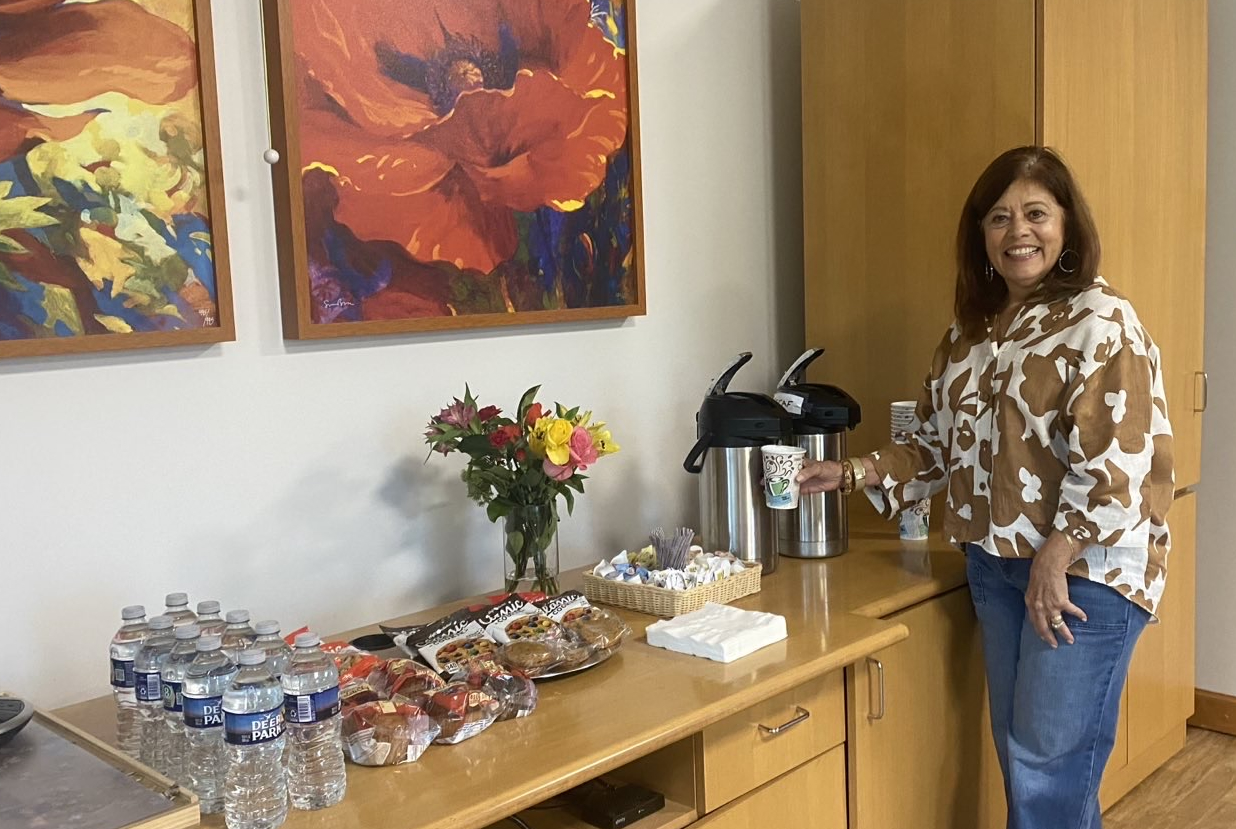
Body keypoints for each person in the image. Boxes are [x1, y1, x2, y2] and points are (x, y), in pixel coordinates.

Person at [796, 145, 1174, 828]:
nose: (1017, 231)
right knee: (1027, 761)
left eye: (1036, 213)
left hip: (1082, 572)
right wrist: (851, 471)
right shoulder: (969, 334)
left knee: (1047, 770)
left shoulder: (1102, 320)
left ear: (1067, 225)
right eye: (999, 217)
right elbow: (939, 444)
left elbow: (1117, 465)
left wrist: (1055, 556)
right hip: (996, 566)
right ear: (981, 235)